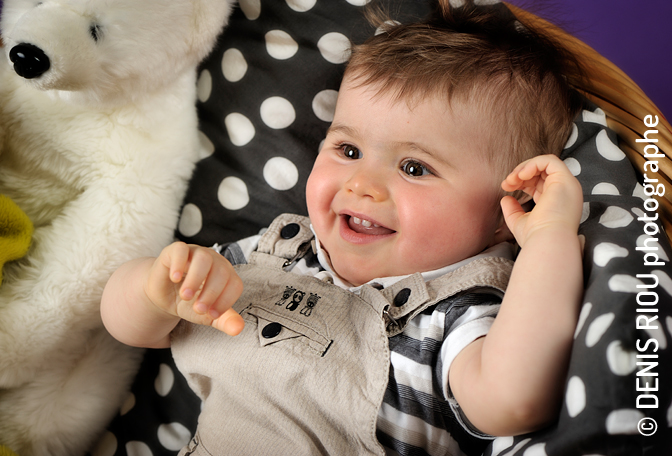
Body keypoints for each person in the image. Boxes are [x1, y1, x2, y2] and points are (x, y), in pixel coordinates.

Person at [101, 1, 586, 455]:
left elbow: (513, 400)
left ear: (508, 209)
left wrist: (549, 240)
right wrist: (156, 291)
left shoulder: (457, 315)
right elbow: (130, 328)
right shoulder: (280, 251)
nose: (363, 184)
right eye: (348, 151)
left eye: (414, 168)